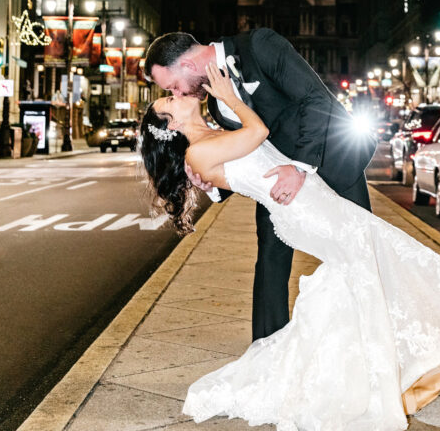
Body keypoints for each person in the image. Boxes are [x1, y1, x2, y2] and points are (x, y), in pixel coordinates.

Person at [138, 64, 440, 431]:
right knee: (380, 256)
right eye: (169, 99)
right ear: (169, 124)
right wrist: (230, 97)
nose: (177, 94)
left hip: (314, 200)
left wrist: (227, 113)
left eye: (171, 91)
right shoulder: (199, 151)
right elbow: (258, 135)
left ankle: (359, 373)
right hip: (305, 213)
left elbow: (253, 151)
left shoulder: (211, 139)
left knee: (368, 266)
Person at [143, 28, 375, 340]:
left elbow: (314, 98)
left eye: (174, 86)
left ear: (188, 65)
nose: (180, 94)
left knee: (361, 253)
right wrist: (212, 183)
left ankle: (372, 336)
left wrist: (299, 166)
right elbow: (248, 154)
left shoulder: (260, 45)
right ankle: (268, 348)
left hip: (332, 160)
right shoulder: (214, 104)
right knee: (270, 260)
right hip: (276, 189)